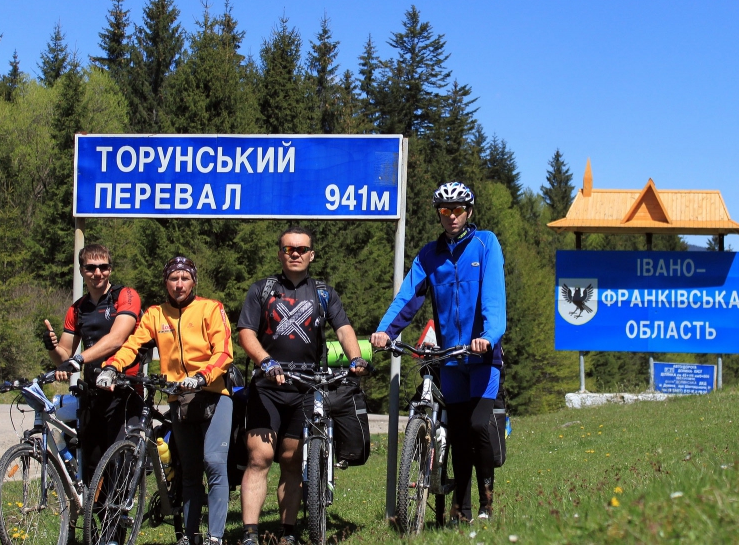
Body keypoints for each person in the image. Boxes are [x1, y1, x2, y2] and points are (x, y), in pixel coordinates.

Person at [371, 181, 506, 522]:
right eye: (445, 210)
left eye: (458, 209)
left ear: (469, 211)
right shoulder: (429, 256)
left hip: (482, 355)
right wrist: (386, 331)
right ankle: (463, 511)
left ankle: (487, 502)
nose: (452, 216)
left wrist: (488, 336)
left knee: (478, 425)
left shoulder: (485, 244)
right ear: (439, 214)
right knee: (458, 435)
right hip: (450, 359)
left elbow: (493, 297)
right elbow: (408, 297)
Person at [236, 226, 369, 545]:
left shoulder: (324, 293)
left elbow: (344, 328)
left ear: (311, 254)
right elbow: (246, 332)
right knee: (259, 457)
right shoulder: (263, 289)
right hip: (267, 386)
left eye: (301, 249)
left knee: (292, 460)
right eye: (288, 249)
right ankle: (250, 534)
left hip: (307, 387)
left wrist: (355, 358)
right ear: (280, 253)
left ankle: (288, 532)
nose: (295, 253)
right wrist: (265, 361)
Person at [98, 256, 233, 545]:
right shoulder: (155, 314)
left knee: (213, 462)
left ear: (194, 281)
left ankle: (215, 537)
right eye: (173, 278)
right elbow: (133, 345)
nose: (179, 284)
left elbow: (223, 352)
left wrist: (202, 376)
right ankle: (190, 536)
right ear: (166, 282)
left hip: (214, 394)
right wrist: (112, 366)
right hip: (178, 397)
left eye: (185, 278)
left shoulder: (211, 308)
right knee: (190, 471)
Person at [43, 243, 143, 484]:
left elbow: (117, 338)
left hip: (124, 391)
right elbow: (64, 356)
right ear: (81, 270)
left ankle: (122, 507)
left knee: (120, 463)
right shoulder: (77, 309)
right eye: (90, 268)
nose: (97, 273)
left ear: (110, 269)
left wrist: (78, 359)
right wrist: (52, 347)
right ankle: (96, 509)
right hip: (93, 394)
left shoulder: (125, 296)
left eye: (103, 267)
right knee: (91, 468)